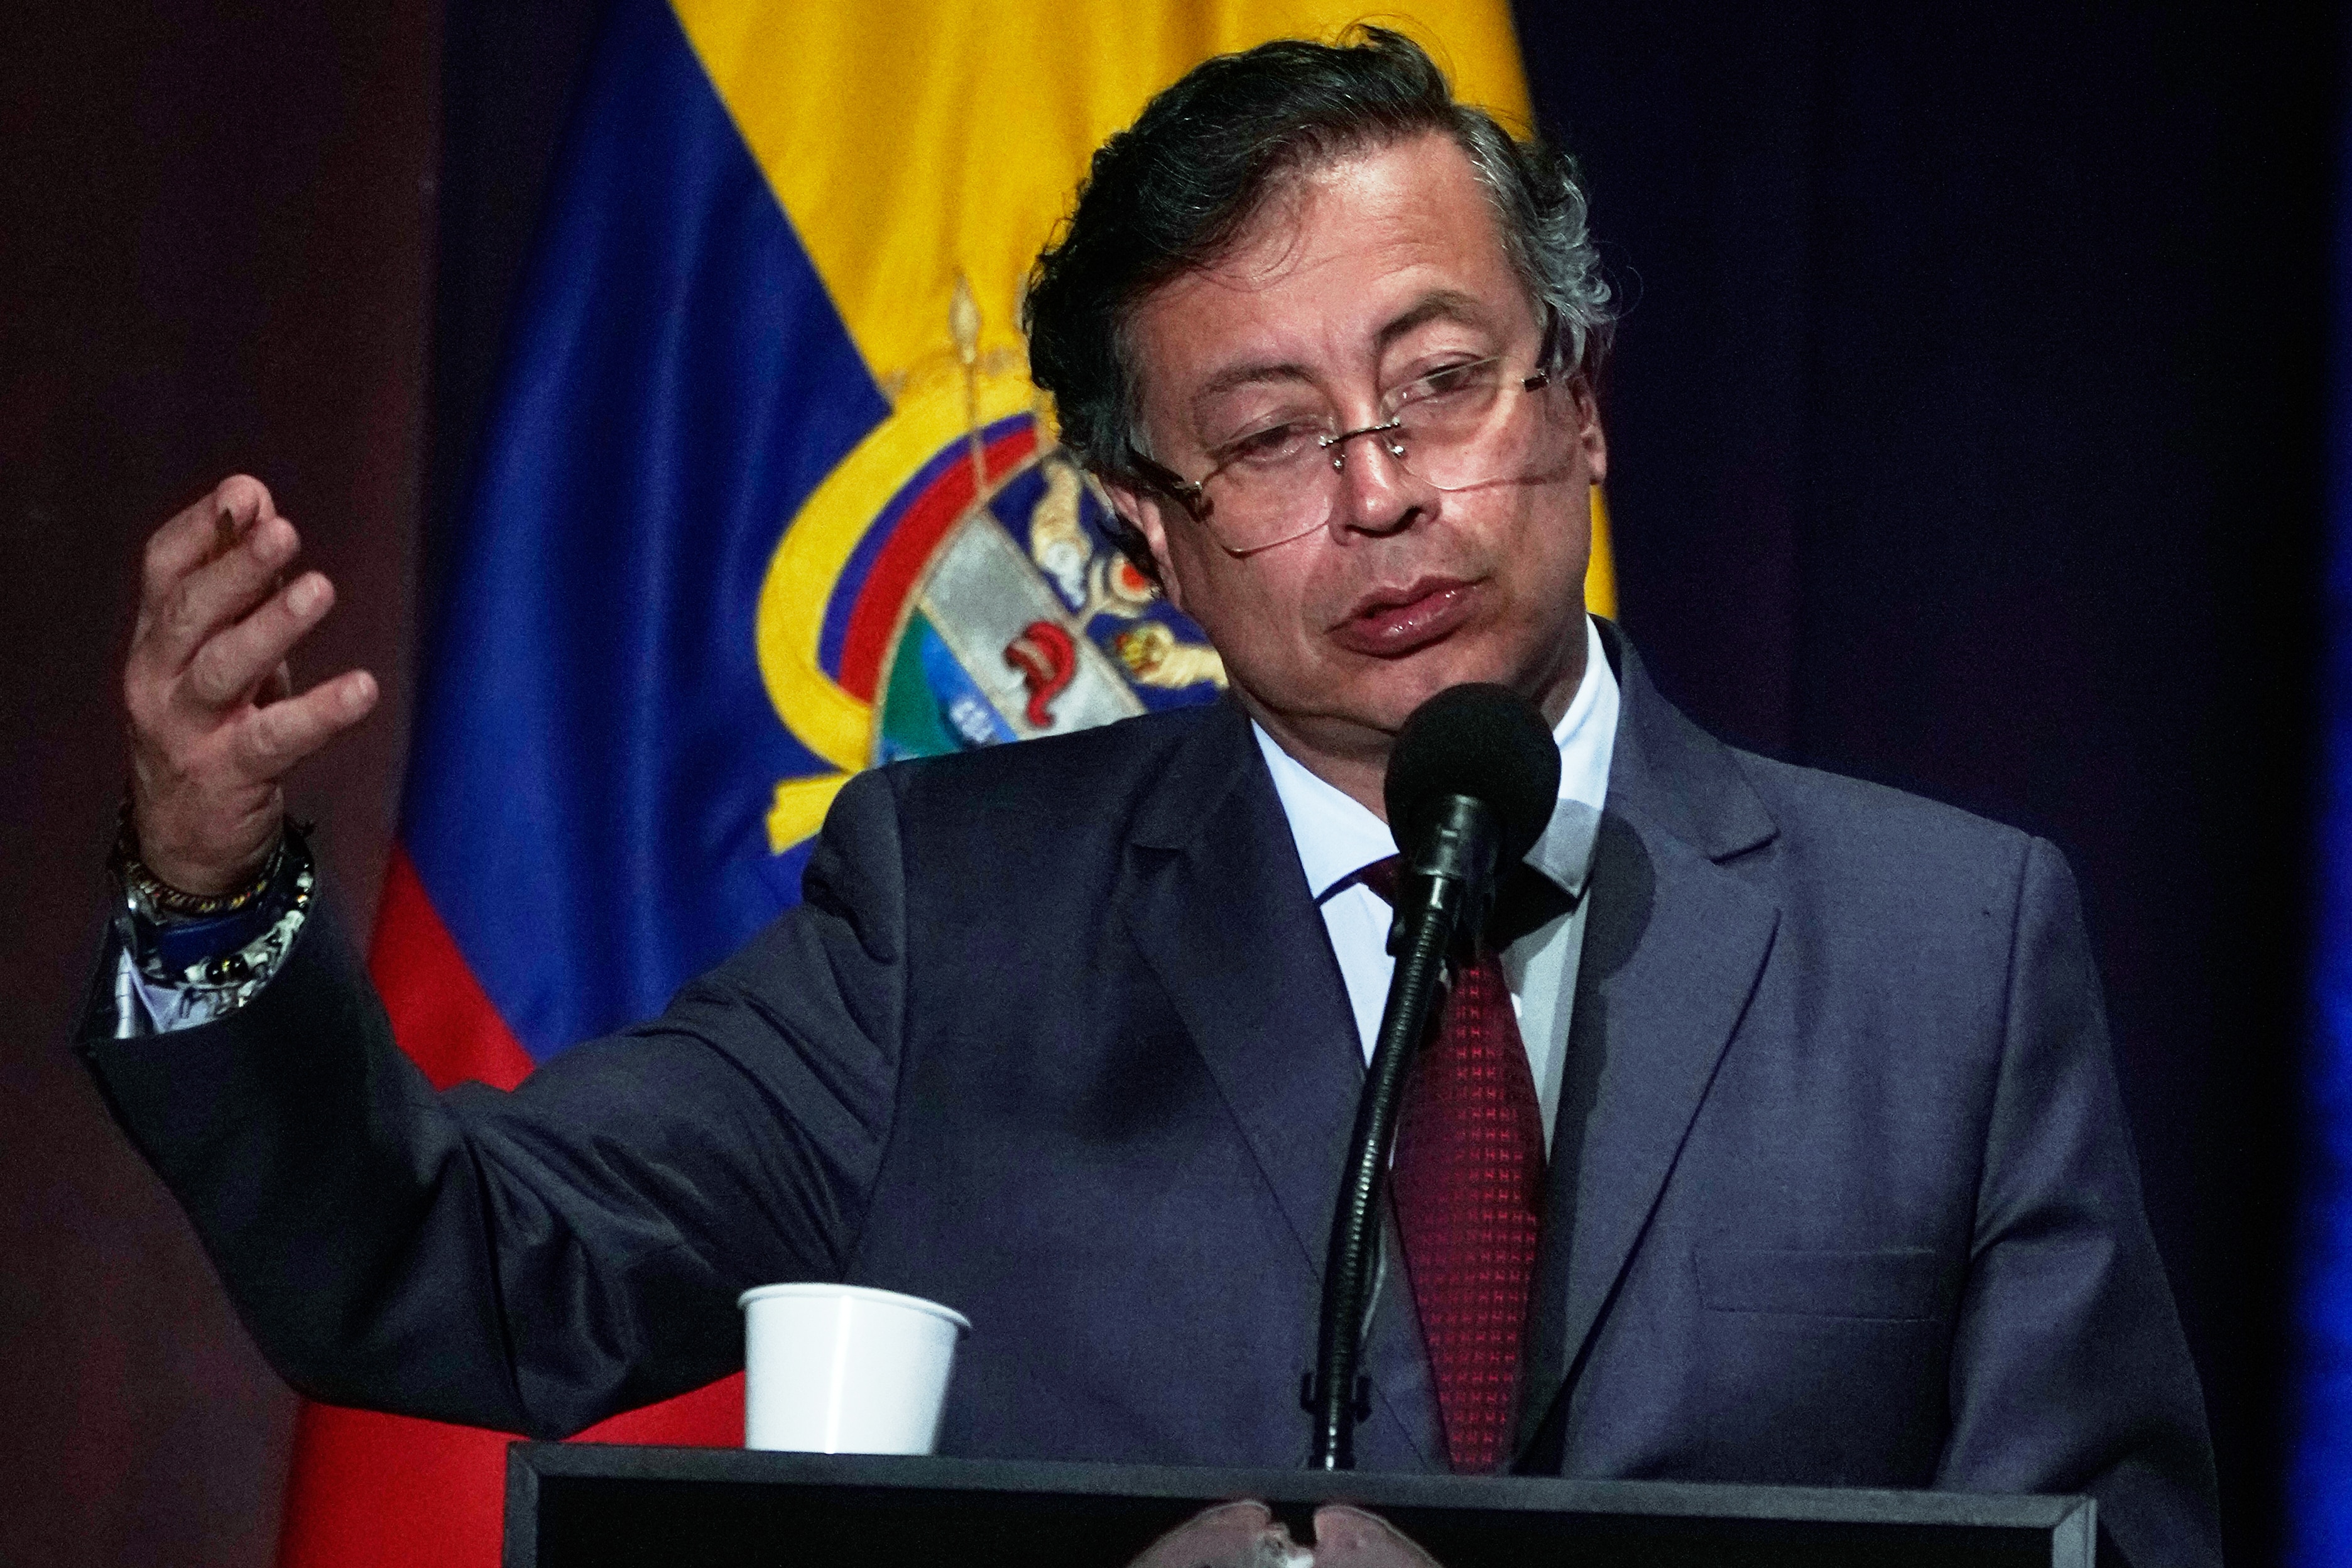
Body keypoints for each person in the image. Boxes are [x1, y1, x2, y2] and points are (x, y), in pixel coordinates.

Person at [80, 29, 2219, 1565]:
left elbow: (2098, 1550)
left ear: (1577, 405)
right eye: (1275, 436)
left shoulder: (1949, 951)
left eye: (1443, 384)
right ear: (1150, 536)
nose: (1383, 497)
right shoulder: (959, 924)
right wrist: (209, 901)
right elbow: (454, 1270)